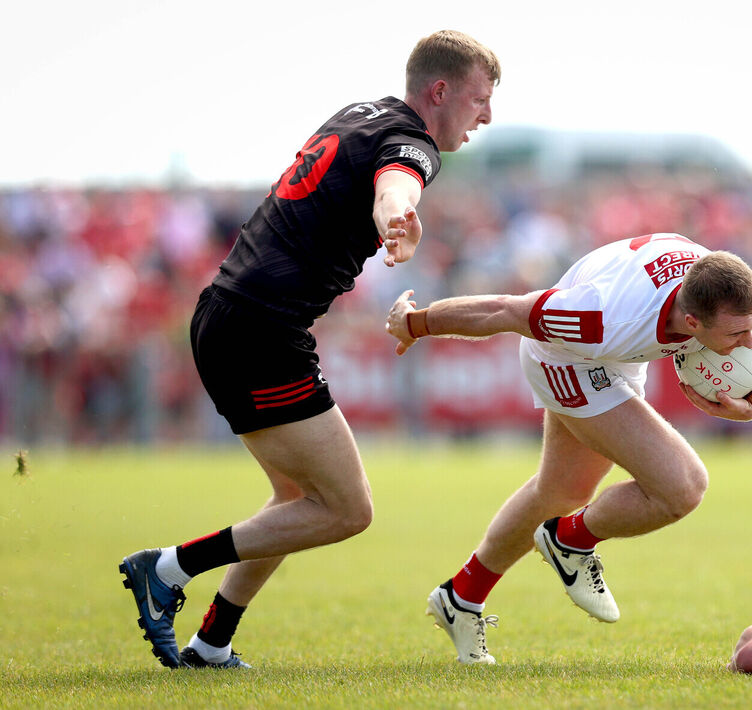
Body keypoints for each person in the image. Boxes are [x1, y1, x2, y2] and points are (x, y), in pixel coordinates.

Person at [118, 30, 501, 669]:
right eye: (480, 100)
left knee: (298, 500)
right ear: (440, 93)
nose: (487, 116)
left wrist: (393, 213)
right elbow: (395, 185)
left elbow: (377, 181)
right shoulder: (415, 144)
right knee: (347, 510)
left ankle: (212, 643)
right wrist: (396, 216)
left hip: (231, 313)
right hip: (262, 331)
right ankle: (167, 569)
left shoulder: (362, 113)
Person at [385, 232, 752, 663]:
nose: (750, 342)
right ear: (693, 323)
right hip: (565, 358)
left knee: (561, 492)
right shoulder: (597, 318)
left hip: (619, 354)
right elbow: (503, 310)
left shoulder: (746, 303)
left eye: (751, 326)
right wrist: (415, 323)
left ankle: (461, 597)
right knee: (683, 486)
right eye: (738, 334)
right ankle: (569, 540)